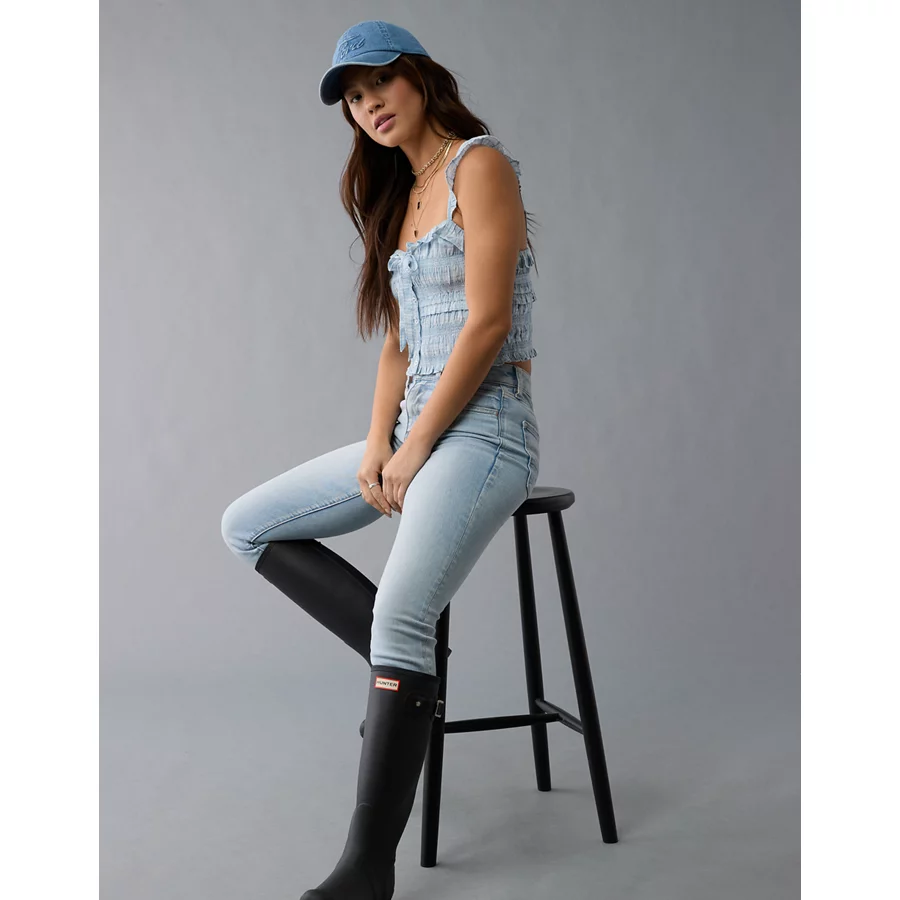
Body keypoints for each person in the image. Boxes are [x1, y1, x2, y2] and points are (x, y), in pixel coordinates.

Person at [220, 19, 541, 900]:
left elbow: (486, 325)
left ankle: (367, 870)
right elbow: (398, 346)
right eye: (355, 100)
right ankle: (409, 665)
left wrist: (419, 444)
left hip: (487, 432)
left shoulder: (480, 165)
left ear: (420, 78)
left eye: (378, 85)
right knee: (248, 527)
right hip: (411, 434)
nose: (369, 107)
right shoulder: (401, 198)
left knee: (403, 616)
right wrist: (378, 445)